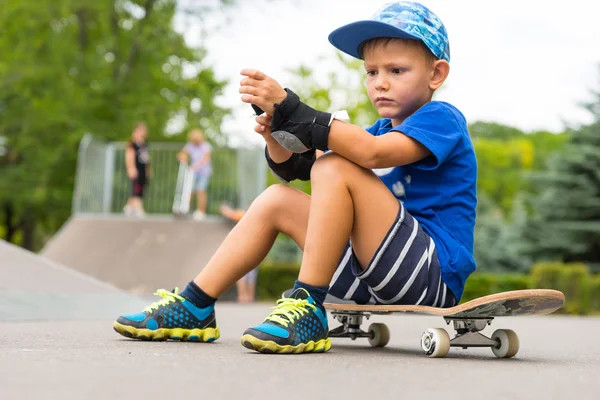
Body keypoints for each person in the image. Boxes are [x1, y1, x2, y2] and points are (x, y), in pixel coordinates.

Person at [113, 1, 477, 355]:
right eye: (371, 72)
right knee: (277, 199)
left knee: (337, 164)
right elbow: (304, 169)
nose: (380, 83)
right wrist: (278, 136)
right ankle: (195, 306)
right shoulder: (376, 130)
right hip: (369, 275)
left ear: (436, 74)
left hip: (430, 275)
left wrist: (294, 109)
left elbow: (372, 154)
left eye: (396, 71)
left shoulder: (442, 118)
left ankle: (307, 304)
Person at [219, 204, 257, 303]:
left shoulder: (245, 215)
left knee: (242, 274)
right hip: (254, 249)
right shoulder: (258, 219)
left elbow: (231, 214)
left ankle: (242, 296)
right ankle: (250, 296)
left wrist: (224, 208)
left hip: (244, 249)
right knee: (251, 274)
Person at [177, 129, 212, 220]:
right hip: (192, 173)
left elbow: (206, 158)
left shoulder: (205, 146)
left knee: (201, 190)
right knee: (189, 191)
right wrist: (182, 157)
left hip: (203, 172)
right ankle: (186, 210)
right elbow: (181, 154)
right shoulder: (190, 146)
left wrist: (196, 166)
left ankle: (201, 211)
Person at [123, 122, 151, 217]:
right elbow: (129, 155)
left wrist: (148, 169)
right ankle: (139, 208)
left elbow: (146, 158)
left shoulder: (143, 144)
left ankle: (129, 206)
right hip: (136, 168)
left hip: (142, 168)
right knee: (137, 188)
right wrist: (130, 168)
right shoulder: (132, 143)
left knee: (141, 188)